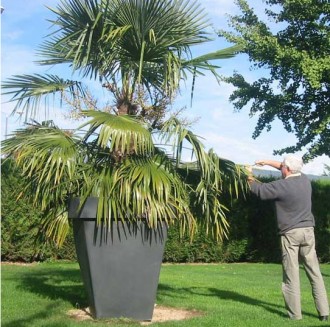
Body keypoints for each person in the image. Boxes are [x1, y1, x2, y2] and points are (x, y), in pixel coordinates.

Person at [246, 155, 329, 321]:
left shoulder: (282, 186)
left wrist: (248, 175)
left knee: (291, 274)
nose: (281, 167)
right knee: (314, 273)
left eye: (282, 165)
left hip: (290, 233)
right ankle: (324, 313)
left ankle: (295, 316)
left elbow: (259, 190)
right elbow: (287, 169)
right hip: (308, 232)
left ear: (287, 169)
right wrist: (268, 162)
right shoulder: (305, 180)